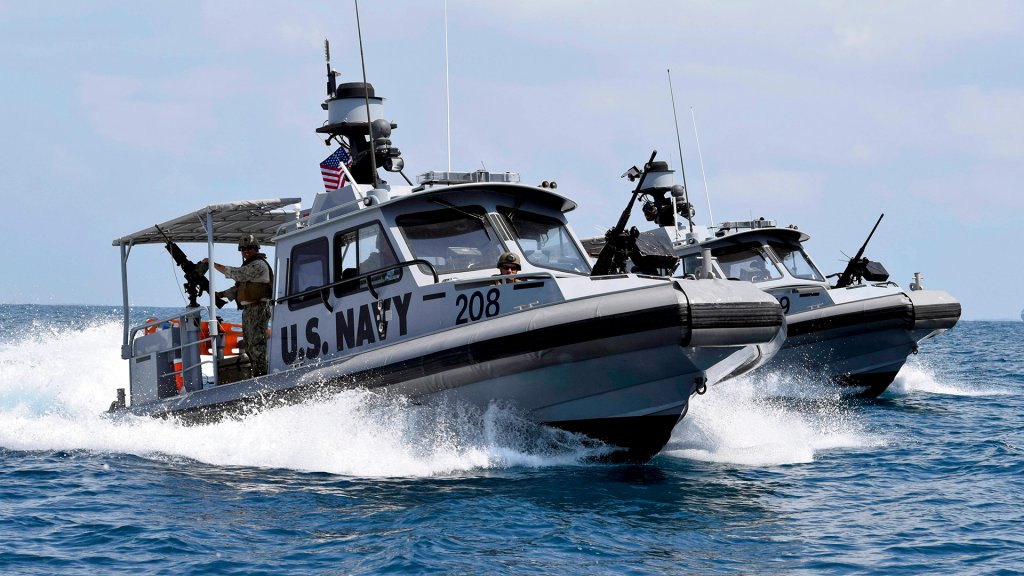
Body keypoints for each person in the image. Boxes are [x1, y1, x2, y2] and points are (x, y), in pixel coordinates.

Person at [203, 235, 273, 377]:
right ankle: (254, 373)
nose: (246, 251)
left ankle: (261, 374)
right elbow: (239, 287)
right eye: (242, 249)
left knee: (256, 342)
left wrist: (213, 265)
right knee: (249, 343)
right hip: (249, 309)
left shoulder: (259, 265)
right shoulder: (249, 265)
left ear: (256, 248)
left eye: (249, 248)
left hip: (259, 308)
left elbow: (238, 274)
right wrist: (221, 294)